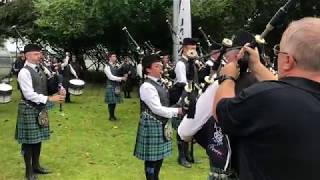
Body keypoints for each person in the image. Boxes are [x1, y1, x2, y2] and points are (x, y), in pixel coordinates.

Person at [213, 17, 320, 180]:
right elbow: (294, 92)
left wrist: (227, 78)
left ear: (288, 60)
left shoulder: (266, 97)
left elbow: (222, 111)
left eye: (279, 51)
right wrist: (257, 66)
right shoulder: (298, 97)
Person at [15, 44, 65, 180]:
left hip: (40, 109)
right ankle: (28, 171)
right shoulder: (24, 72)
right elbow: (29, 94)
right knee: (28, 141)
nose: (40, 56)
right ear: (27, 55)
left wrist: (57, 89)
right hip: (28, 108)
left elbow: (46, 87)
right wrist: (50, 98)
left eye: (40, 53)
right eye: (36, 54)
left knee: (38, 139)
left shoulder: (41, 69)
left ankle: (36, 166)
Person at [134, 54, 183, 180]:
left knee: (159, 157)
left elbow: (167, 100)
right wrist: (177, 111)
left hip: (161, 122)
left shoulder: (161, 82)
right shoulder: (147, 86)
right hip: (152, 123)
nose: (160, 68)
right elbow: (157, 109)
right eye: (156, 66)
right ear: (148, 69)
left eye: (161, 66)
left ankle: (156, 177)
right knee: (152, 159)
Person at [171, 38, 199, 168]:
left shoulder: (192, 62)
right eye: (190, 49)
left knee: (189, 125)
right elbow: (183, 82)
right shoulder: (181, 64)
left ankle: (188, 154)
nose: (193, 51)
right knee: (181, 126)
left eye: (194, 48)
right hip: (183, 96)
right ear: (184, 49)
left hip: (193, 95)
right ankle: (181, 156)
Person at [104, 52, 127, 121]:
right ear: (110, 58)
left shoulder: (116, 65)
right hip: (110, 85)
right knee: (111, 102)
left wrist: (125, 75)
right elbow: (110, 77)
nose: (115, 58)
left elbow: (120, 71)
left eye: (115, 56)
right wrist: (121, 78)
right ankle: (111, 116)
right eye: (113, 56)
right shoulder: (106, 66)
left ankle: (113, 115)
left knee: (114, 102)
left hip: (116, 85)